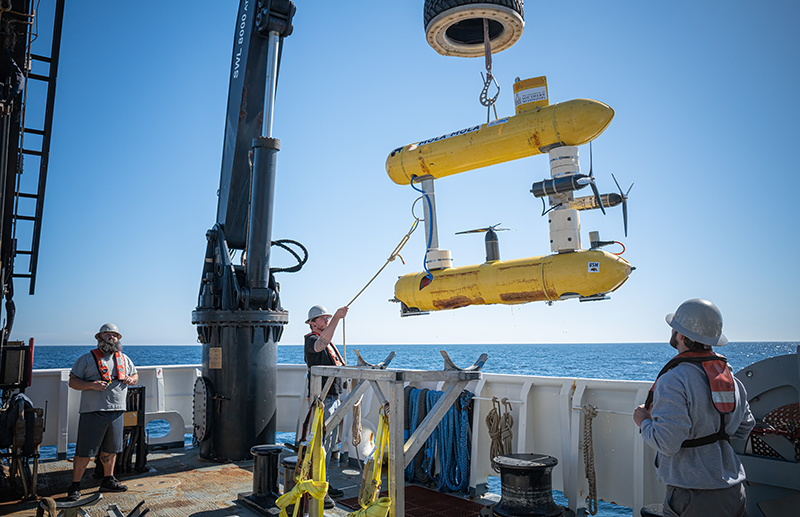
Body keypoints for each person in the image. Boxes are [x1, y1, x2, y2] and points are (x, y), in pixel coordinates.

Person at [633, 299, 754, 517]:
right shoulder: (729, 377)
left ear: (680, 335)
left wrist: (643, 421)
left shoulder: (674, 380)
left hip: (694, 498)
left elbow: (666, 443)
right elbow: (745, 426)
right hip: (735, 493)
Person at [66, 323, 138, 501]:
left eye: (114, 335)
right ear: (99, 338)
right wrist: (91, 384)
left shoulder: (125, 359)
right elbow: (73, 382)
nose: (111, 338)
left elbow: (136, 376)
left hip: (117, 411)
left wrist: (131, 379)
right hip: (93, 411)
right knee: (84, 451)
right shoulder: (86, 359)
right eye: (107, 335)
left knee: (111, 449)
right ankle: (75, 486)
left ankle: (108, 480)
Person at [304, 304, 348, 508]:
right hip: (323, 400)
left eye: (327, 318)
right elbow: (320, 344)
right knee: (321, 446)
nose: (326, 321)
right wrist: (338, 318)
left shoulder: (326, 340)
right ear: (313, 323)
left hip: (333, 397)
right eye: (322, 319)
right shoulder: (311, 340)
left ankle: (325, 485)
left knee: (329, 445)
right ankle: (318, 488)